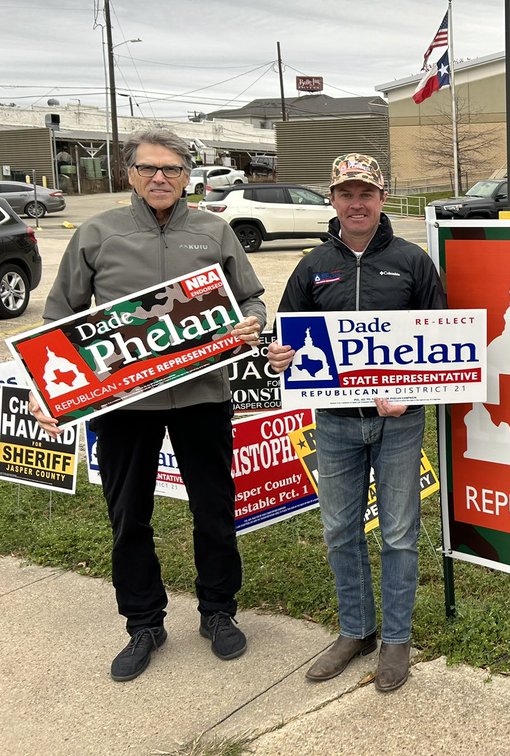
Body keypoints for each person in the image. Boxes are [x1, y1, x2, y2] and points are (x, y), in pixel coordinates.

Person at [29, 128, 265, 682]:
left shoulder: (212, 230)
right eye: (149, 168)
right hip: (123, 407)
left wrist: (254, 318)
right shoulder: (98, 232)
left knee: (213, 507)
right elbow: (59, 319)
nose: (161, 178)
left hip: (203, 397)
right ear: (130, 173)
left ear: (188, 176)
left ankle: (218, 611)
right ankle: (143, 622)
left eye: (173, 170)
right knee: (129, 514)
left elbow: (249, 294)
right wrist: (50, 392)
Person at [266, 152, 445, 693]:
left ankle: (395, 640)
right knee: (340, 530)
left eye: (366, 193)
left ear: (382, 199)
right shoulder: (311, 264)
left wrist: (413, 390)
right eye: (346, 193)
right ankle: (355, 631)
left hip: (399, 422)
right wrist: (278, 356)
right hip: (336, 422)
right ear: (333, 200)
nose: (357, 203)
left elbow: (442, 341)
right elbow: (287, 338)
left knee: (398, 534)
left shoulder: (413, 262)